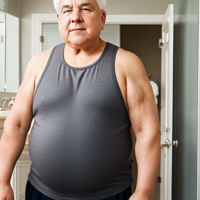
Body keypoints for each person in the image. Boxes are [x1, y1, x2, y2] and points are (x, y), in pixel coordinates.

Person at [0, 0, 161, 199]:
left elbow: (147, 130)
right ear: (59, 20)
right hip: (41, 193)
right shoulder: (37, 64)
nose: (75, 16)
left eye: (85, 8)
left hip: (111, 195)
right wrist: (2, 181)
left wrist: (144, 192)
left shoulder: (127, 64)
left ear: (102, 18)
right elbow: (15, 125)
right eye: (67, 10)